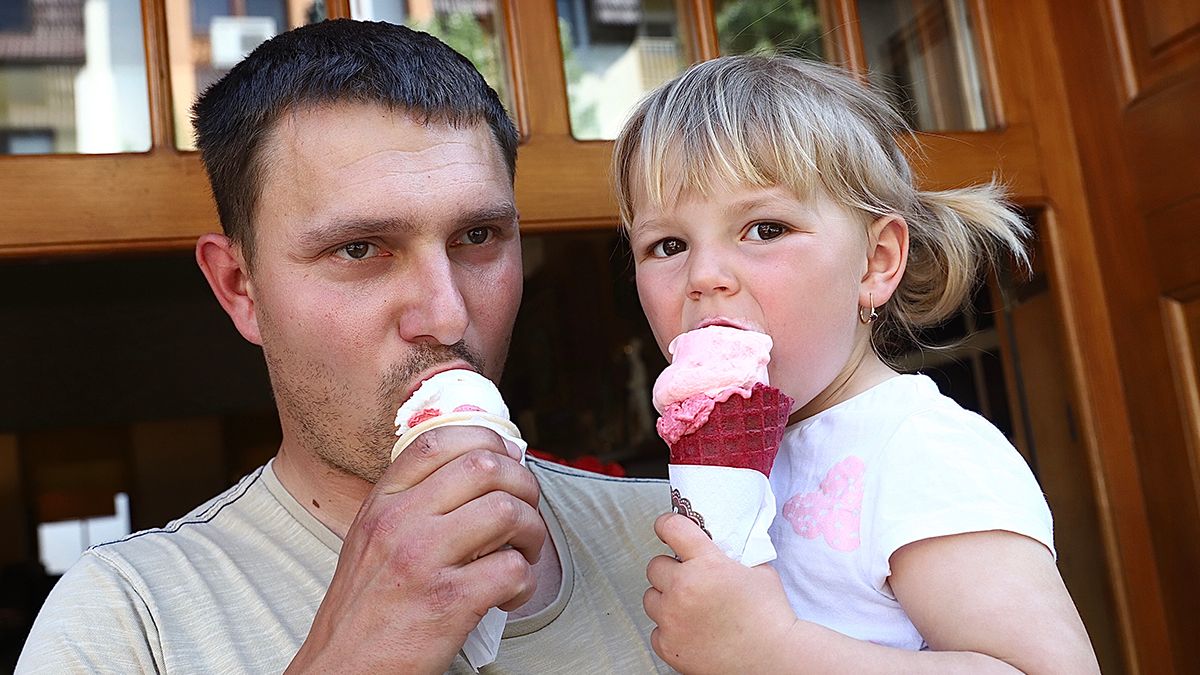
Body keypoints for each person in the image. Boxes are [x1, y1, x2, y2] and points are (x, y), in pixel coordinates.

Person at [18, 20, 671, 674]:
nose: (446, 316)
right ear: (239, 287)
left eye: (477, 236)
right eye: (359, 249)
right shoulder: (129, 618)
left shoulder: (672, 539)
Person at [613, 55, 1100, 673]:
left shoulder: (920, 450)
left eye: (764, 229)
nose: (704, 276)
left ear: (875, 262)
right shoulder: (747, 460)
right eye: (669, 245)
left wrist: (775, 651)